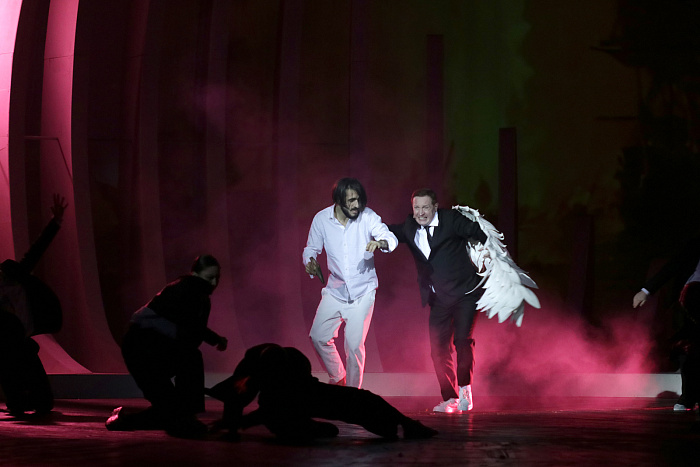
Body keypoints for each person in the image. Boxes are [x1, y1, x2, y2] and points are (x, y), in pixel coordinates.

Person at [206, 343, 438, 442]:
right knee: (296, 425)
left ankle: (402, 424)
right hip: (287, 409)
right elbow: (247, 404)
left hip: (300, 394)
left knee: (361, 403)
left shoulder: (293, 371)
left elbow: (259, 408)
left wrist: (233, 425)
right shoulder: (255, 374)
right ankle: (312, 428)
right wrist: (232, 425)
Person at [105, 254, 228, 438]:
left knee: (171, 410)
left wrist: (215, 339)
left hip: (154, 352)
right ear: (195, 274)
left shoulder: (198, 295)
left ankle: (125, 420)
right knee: (188, 367)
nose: (214, 283)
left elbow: (192, 328)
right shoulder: (187, 291)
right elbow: (189, 329)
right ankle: (184, 417)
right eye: (209, 277)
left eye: (217, 278)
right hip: (142, 353)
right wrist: (215, 339)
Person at [388, 189, 487, 413]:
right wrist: (362, 225)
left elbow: (478, 233)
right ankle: (450, 397)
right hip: (439, 299)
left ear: (435, 207)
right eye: (416, 208)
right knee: (438, 350)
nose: (421, 212)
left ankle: (465, 390)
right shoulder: (410, 226)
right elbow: (389, 230)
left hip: (465, 294)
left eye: (425, 207)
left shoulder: (451, 220)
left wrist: (486, 256)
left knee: (462, 341)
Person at [302, 178, 398, 388]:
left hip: (363, 292)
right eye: (351, 201)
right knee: (318, 336)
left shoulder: (368, 216)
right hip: (335, 291)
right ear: (338, 201)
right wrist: (309, 261)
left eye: (359, 200)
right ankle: (338, 377)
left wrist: (380, 242)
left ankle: (353, 395)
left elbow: (390, 238)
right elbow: (311, 248)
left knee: (354, 346)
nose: (357, 205)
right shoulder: (321, 219)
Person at [0, 194, 67, 417]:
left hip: (17, 336)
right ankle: (21, 401)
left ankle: (28, 401)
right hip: (11, 338)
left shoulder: (15, 277)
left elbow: (36, 251)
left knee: (22, 363)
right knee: (12, 362)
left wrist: (55, 222)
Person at [633, 244, 700, 412]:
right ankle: (688, 397)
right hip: (693, 298)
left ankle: (690, 396)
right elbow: (672, 266)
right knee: (688, 348)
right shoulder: (695, 247)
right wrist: (646, 290)